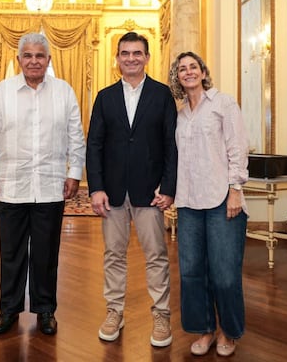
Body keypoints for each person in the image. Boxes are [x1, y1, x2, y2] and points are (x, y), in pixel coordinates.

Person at [0, 33, 85, 337]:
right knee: (11, 253)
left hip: (51, 187)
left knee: (46, 253)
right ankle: (9, 309)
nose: (34, 60)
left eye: (40, 56)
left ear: (48, 60)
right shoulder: (3, 92)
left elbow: (76, 135)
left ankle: (45, 309)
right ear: (19, 59)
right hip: (10, 186)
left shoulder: (64, 92)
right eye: (28, 55)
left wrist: (74, 172)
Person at [86, 31, 178, 347]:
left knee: (156, 255)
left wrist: (168, 187)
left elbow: (171, 144)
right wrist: (95, 187)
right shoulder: (105, 96)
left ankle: (162, 316)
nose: (131, 58)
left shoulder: (162, 94)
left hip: (150, 193)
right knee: (113, 255)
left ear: (147, 57)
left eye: (137, 53)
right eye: (125, 53)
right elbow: (94, 145)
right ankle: (114, 312)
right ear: (118, 58)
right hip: (112, 193)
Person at [168, 51, 249, 358]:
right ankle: (205, 329)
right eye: (182, 69)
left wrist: (235, 189)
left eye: (193, 67)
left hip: (221, 200)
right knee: (191, 271)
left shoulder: (223, 104)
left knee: (225, 273)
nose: (188, 72)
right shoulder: (180, 115)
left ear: (203, 72)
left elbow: (237, 147)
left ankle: (229, 330)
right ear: (177, 77)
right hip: (189, 202)